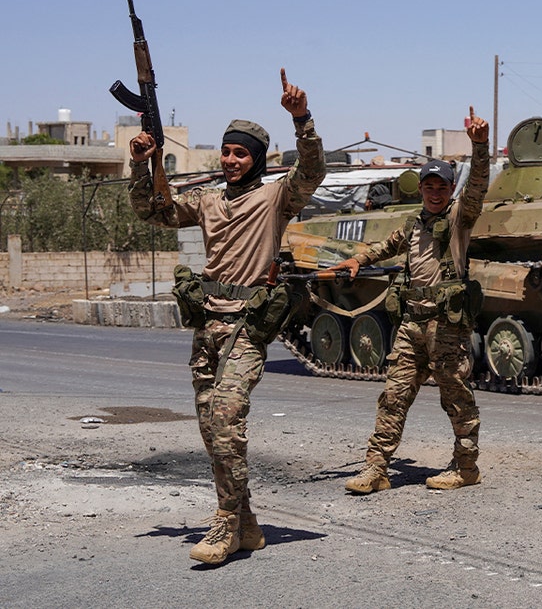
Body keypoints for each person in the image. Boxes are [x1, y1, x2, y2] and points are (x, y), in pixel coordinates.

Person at [128, 68, 326, 565]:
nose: (231, 160)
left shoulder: (275, 197)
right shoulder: (209, 200)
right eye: (226, 151)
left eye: (241, 153)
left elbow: (312, 171)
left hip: (247, 327)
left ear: (256, 159)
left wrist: (301, 119)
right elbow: (155, 211)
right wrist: (141, 164)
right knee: (209, 427)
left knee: (226, 422)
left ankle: (224, 524)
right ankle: (249, 524)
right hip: (209, 327)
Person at [334, 107, 490, 494]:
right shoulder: (413, 223)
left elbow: (479, 187)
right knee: (393, 397)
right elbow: (385, 246)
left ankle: (466, 466)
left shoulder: (459, 218)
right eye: (429, 187)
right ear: (420, 189)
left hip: (446, 326)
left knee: (455, 396)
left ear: (450, 190)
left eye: (442, 187)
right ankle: (376, 467)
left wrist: (480, 146)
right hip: (412, 324)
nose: (435, 193)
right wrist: (357, 259)